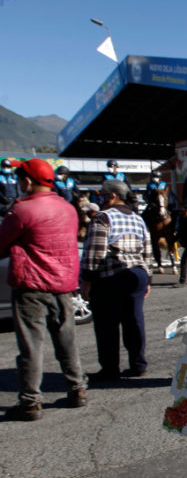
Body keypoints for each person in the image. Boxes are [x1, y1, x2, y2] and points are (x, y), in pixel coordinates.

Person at [0, 159, 87, 420]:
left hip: (31, 286)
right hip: (64, 285)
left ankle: (30, 402)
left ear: (27, 182)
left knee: (31, 345)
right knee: (67, 341)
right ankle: (78, 389)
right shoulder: (68, 208)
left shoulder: (21, 211)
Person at [80, 179, 152, 381]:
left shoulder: (103, 217)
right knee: (134, 320)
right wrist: (148, 279)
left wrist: (87, 280)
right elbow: (148, 251)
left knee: (107, 324)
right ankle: (138, 364)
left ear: (113, 196)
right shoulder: (138, 218)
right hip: (137, 274)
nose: (100, 199)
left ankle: (110, 369)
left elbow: (95, 252)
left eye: (102, 195)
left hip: (111, 275)